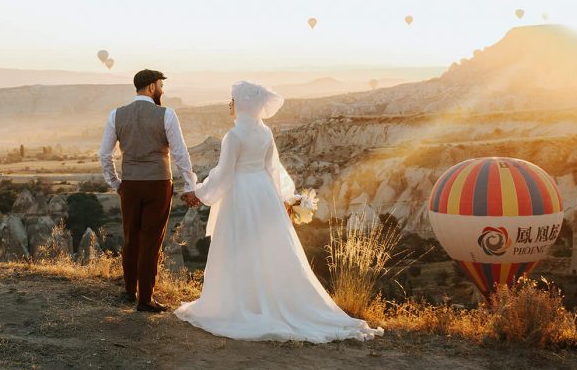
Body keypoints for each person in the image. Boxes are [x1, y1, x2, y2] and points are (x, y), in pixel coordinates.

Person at [175, 81, 383, 343]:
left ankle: (244, 303)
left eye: (233, 100)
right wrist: (284, 197)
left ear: (244, 104)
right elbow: (274, 169)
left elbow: (224, 175)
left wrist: (200, 192)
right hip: (263, 193)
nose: (230, 104)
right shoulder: (265, 133)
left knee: (238, 246)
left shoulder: (234, 136)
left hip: (241, 195)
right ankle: (268, 300)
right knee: (266, 247)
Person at [98, 69, 199, 312]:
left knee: (130, 237)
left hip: (130, 184)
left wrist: (116, 183)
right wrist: (190, 184)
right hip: (158, 184)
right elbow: (180, 153)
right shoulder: (167, 114)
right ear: (152, 87)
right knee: (151, 241)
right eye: (161, 86)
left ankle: (129, 290)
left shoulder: (116, 115)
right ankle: (145, 299)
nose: (162, 90)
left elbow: (104, 155)